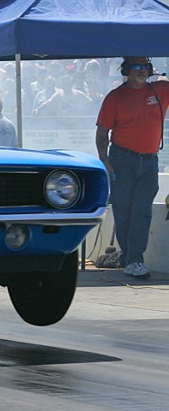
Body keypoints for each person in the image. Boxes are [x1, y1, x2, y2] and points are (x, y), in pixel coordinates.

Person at [95, 56, 169, 278]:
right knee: (124, 211)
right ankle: (130, 257)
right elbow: (102, 132)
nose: (141, 70)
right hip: (122, 160)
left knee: (141, 211)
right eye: (136, 67)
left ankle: (135, 259)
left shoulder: (160, 90)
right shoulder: (115, 97)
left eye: (145, 67)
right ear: (126, 70)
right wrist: (104, 160)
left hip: (149, 161)